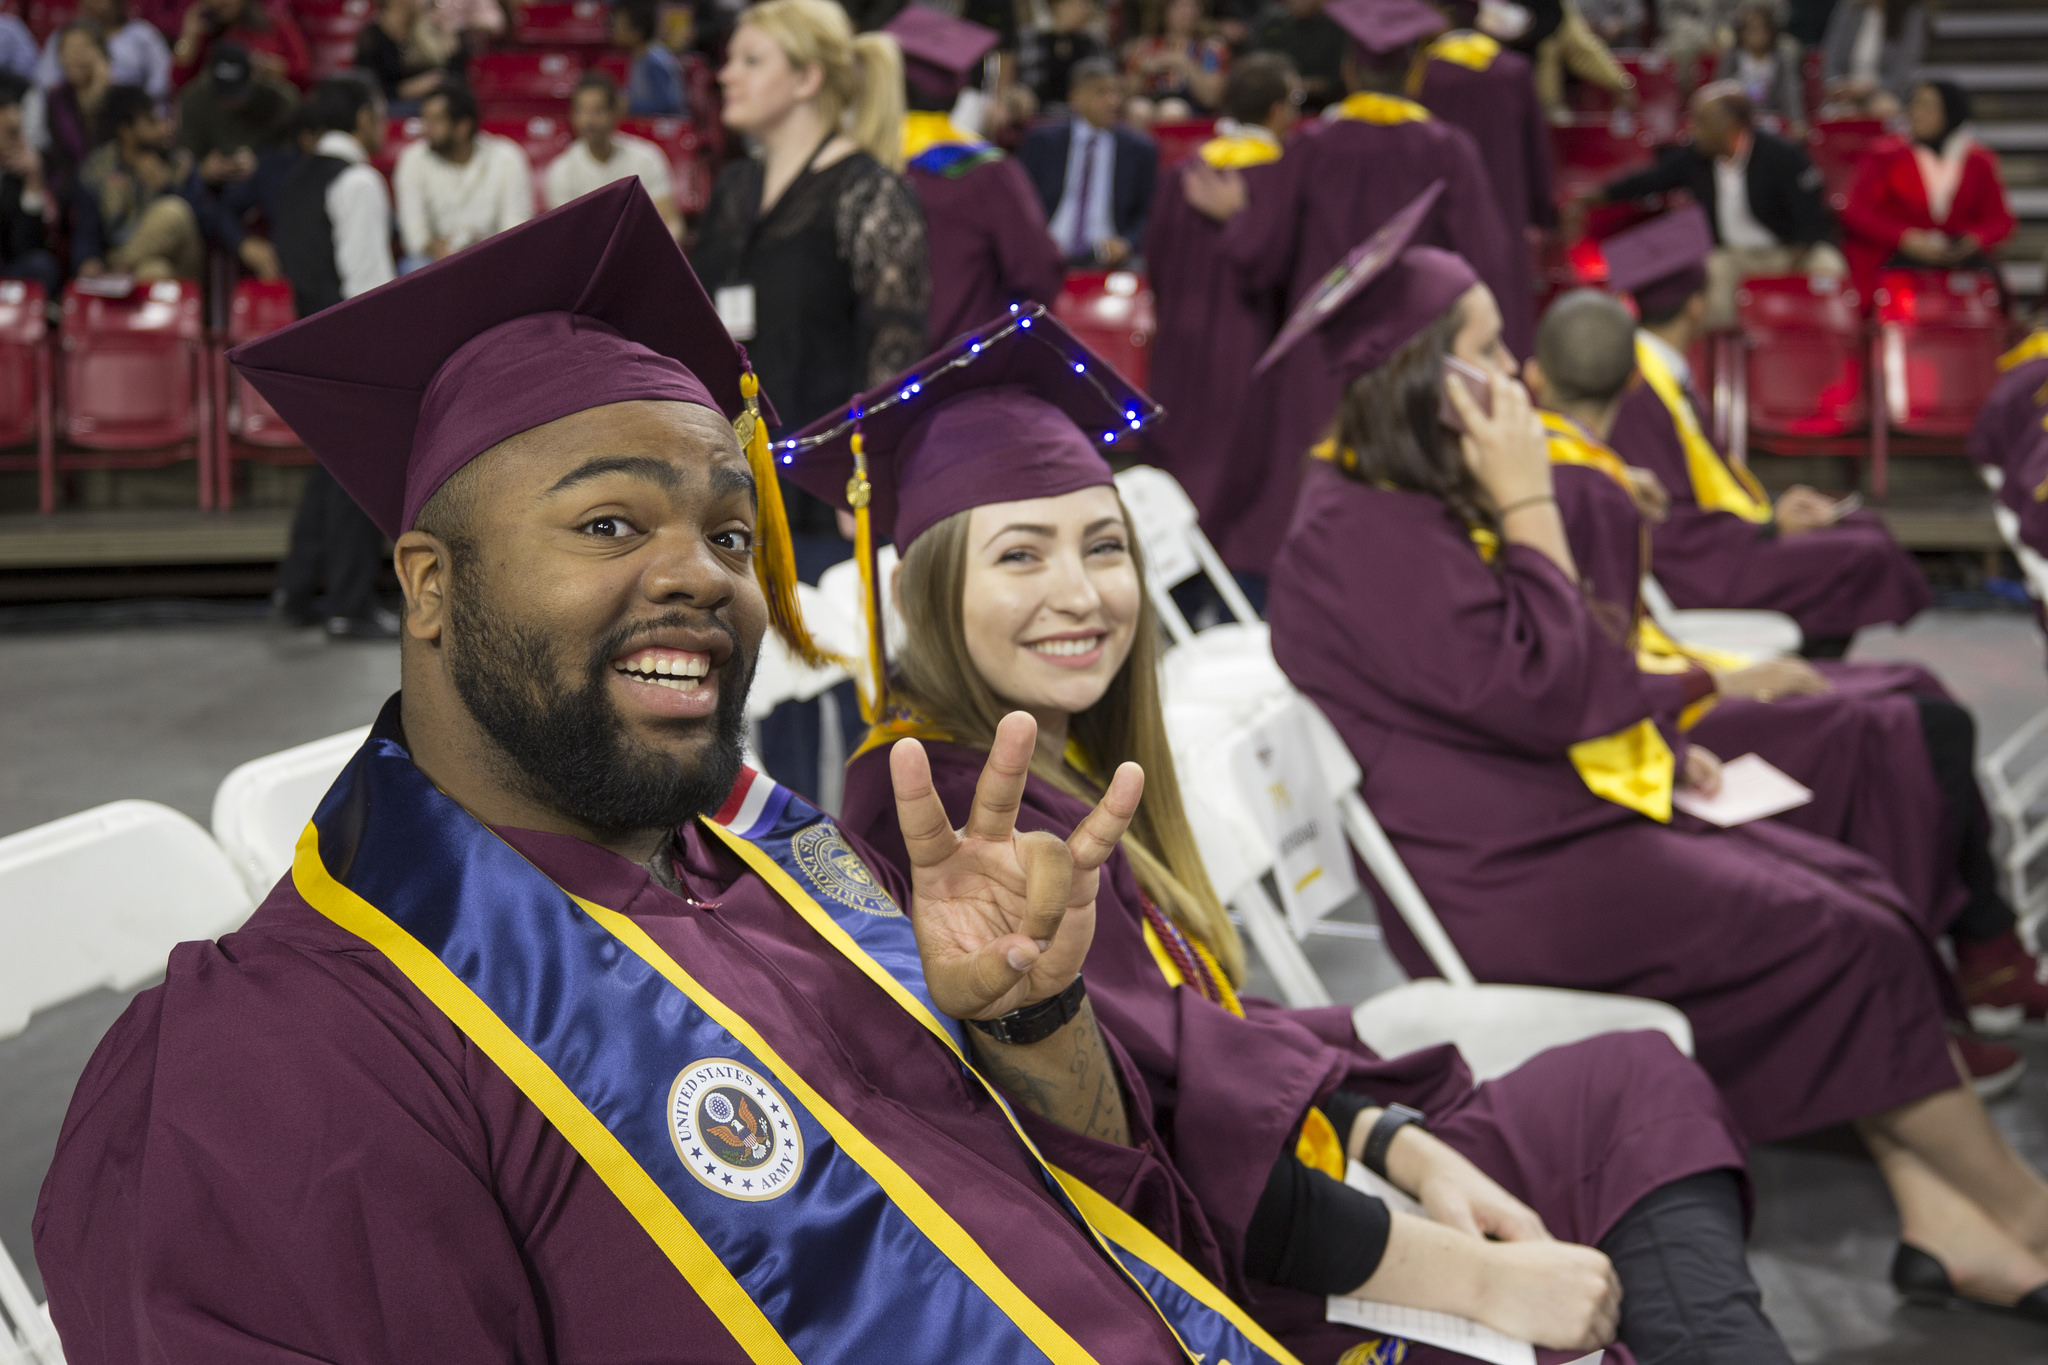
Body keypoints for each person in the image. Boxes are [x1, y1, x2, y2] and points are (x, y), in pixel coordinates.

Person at [38, 177, 1340, 1365]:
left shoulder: (792, 866)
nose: (701, 577)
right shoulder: (294, 1054)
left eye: (730, 527)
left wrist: (1032, 1029)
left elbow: (1117, 1247)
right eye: (609, 522)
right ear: (430, 587)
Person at [795, 302, 1790, 1365]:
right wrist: (1487, 1282)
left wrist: (1393, 1138)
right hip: (1202, 1277)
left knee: (1631, 1087)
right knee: (1587, 1309)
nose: (1079, 594)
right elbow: (1149, 1156)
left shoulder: (1053, 753)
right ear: (920, 590)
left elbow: (1195, 1039)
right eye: (1020, 556)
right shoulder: (941, 822)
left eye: (1102, 545)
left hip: (1286, 1170)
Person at [1260, 214, 2048, 1324]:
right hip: (1502, 878)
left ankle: (1945, 1222)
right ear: (1425, 380)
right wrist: (1530, 499)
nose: (1512, 375)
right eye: (1486, 351)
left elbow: (1557, 670)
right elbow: (1560, 688)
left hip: (1549, 820)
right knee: (1846, 938)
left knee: (1861, 895)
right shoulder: (1359, 531)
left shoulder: (1401, 503)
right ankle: (2015, 1214)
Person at [1529, 288, 2048, 1049]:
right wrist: (1719, 679)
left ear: (1535, 377)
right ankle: (1932, 981)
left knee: (1920, 695)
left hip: (1659, 686)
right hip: (1644, 737)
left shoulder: (1574, 476)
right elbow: (1568, 676)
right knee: (1913, 724)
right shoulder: (1567, 488)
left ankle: (1978, 946)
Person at [1181, 0, 1518, 585]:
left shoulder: (1312, 148)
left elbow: (1263, 258)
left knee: (1314, 489)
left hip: (1326, 356)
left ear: (1350, 72)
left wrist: (1240, 216)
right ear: (1415, 73)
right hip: (1419, 359)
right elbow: (1487, 264)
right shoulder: (1449, 149)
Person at [691, 0, 926, 802]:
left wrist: (863, 484)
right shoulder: (736, 187)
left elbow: (893, 355)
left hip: (824, 496)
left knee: (837, 688)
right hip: (729, 482)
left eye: (750, 59)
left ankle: (858, 878)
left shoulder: (867, 193)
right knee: (751, 688)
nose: (728, 72)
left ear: (807, 77)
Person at [1602, 207, 1931, 655]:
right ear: (1697, 305)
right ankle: (1811, 684)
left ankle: (1817, 674)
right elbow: (1668, 517)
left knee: (1859, 524)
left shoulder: (1662, 371)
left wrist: (1774, 512)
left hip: (1712, 541)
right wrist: (1768, 528)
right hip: (1691, 564)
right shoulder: (1638, 386)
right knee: (1859, 554)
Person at [1145, 53, 1294, 546]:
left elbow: (1158, 262)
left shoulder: (1184, 172)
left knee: (1183, 465)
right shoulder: (1285, 176)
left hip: (1180, 343)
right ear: (1278, 112)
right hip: (1249, 343)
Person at [269, 74, 395, 640]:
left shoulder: (294, 180)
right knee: (354, 477)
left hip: (305, 339)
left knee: (327, 473)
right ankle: (349, 604)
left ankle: (296, 591)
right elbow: (369, 287)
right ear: (362, 118)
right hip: (353, 343)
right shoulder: (359, 182)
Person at [1594, 83, 1844, 330]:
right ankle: (1724, 355)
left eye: (1701, 122)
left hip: (1789, 252)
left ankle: (1827, 343)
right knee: (1711, 276)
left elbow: (1812, 218)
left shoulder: (1783, 156)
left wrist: (1792, 266)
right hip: (1732, 254)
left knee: (1829, 265)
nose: (1693, 130)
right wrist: (1596, 196)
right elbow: (1650, 180)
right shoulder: (1695, 158)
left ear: (1730, 129)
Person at [886, 6, 1061, 347]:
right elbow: (1038, 273)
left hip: (868, 382)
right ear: (959, 89)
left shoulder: (860, 163)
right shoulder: (989, 173)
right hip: (961, 371)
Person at [72, 82, 279, 282]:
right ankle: (119, 276)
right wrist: (87, 260)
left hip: (183, 258)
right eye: (153, 122)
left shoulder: (181, 164)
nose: (166, 128)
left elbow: (207, 221)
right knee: (155, 272)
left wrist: (167, 187)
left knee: (173, 211)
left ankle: (115, 275)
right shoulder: (97, 171)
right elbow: (87, 227)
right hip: (132, 261)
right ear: (126, 130)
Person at [1839, 79, 2015, 306]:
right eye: (1915, 105)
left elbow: (2001, 220)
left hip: (1959, 256)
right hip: (1897, 254)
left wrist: (1974, 239)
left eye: (1928, 107)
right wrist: (1906, 238)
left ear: (1951, 113)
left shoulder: (1979, 161)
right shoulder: (1884, 155)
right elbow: (1856, 212)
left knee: (1989, 286)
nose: (1917, 114)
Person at [1406, 18, 1553, 275]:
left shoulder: (1421, 75)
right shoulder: (1513, 70)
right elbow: (1535, 154)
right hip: (1505, 212)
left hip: (1442, 220)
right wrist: (1544, 213)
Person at [1018, 57, 1157, 269]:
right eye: (1102, 93)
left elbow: (1150, 213)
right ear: (1076, 98)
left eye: (1115, 93)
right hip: (1046, 251)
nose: (1113, 101)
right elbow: (1020, 202)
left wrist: (1127, 243)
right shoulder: (1042, 143)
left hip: (1109, 257)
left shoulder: (1140, 150)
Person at [394, 82, 532, 268]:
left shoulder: (506, 158)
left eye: (436, 120)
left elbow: (516, 227)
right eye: (425, 119)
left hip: (495, 258)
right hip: (436, 263)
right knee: (412, 266)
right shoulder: (412, 159)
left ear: (463, 127)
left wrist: (481, 252)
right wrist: (436, 249)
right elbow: (414, 235)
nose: (426, 128)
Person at [544, 71, 678, 235]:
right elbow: (563, 235)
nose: (588, 120)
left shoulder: (647, 158)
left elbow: (670, 223)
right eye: (581, 111)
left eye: (598, 111)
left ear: (615, 111)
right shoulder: (561, 170)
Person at [176, 40, 296, 214]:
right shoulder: (194, 99)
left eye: (237, 93)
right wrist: (202, 170)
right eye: (224, 93)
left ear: (253, 78)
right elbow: (183, 158)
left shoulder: (278, 100)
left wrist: (262, 166)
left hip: (266, 186)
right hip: (212, 191)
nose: (231, 101)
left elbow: (293, 153)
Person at [36, 23, 112, 215]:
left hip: (112, 181)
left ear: (101, 53)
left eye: (84, 48)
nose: (75, 56)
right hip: (71, 185)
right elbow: (65, 155)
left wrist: (97, 96)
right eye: (68, 49)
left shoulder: (120, 95)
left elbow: (106, 152)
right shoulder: (57, 98)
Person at [33, 0, 169, 101]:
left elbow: (161, 83)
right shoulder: (64, 35)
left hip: (132, 115)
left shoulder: (143, 35)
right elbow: (46, 82)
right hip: (74, 111)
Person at [171, 0, 311, 90]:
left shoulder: (275, 24)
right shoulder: (205, 34)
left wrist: (272, 67)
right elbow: (179, 81)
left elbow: (303, 72)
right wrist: (188, 36)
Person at [1819, 0, 1925, 118]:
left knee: (1884, 109)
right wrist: (1838, 85)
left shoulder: (1912, 14)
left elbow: (1904, 70)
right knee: (1835, 114)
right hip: (1847, 91)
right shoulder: (1849, 9)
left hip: (1885, 93)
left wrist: (1871, 89)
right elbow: (1831, 58)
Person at [1123, 0, 1229, 118]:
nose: (1187, 12)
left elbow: (1211, 99)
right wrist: (1142, 72)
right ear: (1164, 11)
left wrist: (1183, 63)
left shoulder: (1210, 48)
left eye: (1192, 7)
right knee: (1137, 109)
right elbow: (1125, 96)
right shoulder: (1144, 47)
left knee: (1172, 110)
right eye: (1178, 6)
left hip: (1192, 107)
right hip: (1150, 100)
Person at [1715, 1, 1806, 135]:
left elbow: (1790, 93)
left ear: (1771, 31)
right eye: (1752, 29)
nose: (1757, 35)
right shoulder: (1732, 58)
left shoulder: (1782, 60)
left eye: (1762, 29)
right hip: (1737, 120)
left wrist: (1797, 121)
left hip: (1772, 120)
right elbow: (1719, 91)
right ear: (1741, 32)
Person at [353, 0, 462, 111]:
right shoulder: (372, 37)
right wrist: (408, 89)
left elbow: (453, 75)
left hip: (430, 102)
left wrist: (448, 37)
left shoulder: (426, 32)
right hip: (391, 104)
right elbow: (368, 87)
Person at [0, 74, 54, 294]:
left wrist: (33, 183)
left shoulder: (20, 175)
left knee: (41, 264)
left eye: (20, 132)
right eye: (11, 133)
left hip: (9, 265)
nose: (20, 141)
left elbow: (25, 247)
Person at [1247, 0, 1343, 110]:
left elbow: (1339, 78)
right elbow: (1253, 63)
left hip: (1324, 106)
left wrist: (1307, 86)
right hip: (1276, 103)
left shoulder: (1336, 26)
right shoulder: (1273, 22)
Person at [1015, 0, 1106, 111]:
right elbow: (1021, 86)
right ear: (1056, 6)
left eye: (1087, 4)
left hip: (1081, 117)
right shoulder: (1031, 40)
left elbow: (1104, 86)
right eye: (1079, 3)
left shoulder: (1093, 43)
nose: (1086, 10)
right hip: (1038, 116)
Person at [610, 0, 686, 116]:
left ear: (637, 32)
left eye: (619, 26)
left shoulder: (654, 61)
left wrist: (630, 105)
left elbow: (667, 104)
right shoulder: (637, 56)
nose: (613, 30)